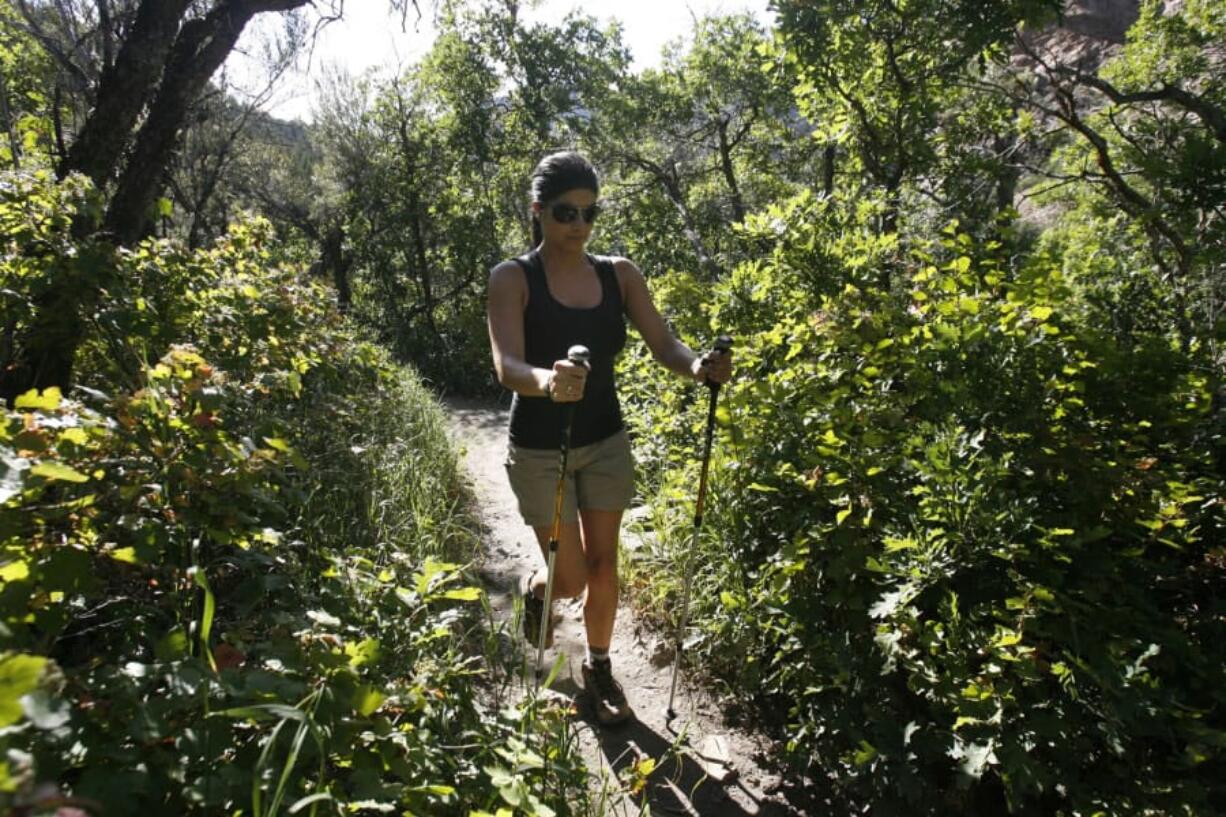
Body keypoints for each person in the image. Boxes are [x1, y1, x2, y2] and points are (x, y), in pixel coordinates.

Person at [486, 151, 733, 726]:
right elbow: (507, 366)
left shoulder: (618, 274)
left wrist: (698, 367)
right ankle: (539, 591)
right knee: (568, 577)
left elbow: (665, 345)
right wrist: (549, 381)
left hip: (605, 440)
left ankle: (599, 666)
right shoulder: (513, 277)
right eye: (566, 212)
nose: (579, 224)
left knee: (604, 564)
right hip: (540, 449)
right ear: (538, 211)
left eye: (589, 212)